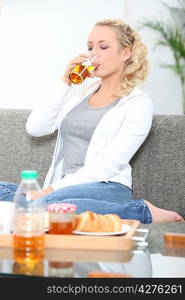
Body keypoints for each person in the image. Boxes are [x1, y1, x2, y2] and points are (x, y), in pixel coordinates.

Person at [0, 18, 183, 223]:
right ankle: (42, 204)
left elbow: (109, 164)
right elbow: (36, 127)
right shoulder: (80, 92)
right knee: (19, 198)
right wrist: (65, 82)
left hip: (105, 185)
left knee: (44, 208)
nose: (93, 54)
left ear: (125, 53)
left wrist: (47, 192)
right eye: (90, 47)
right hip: (63, 188)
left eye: (103, 47)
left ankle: (142, 211)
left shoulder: (138, 103)